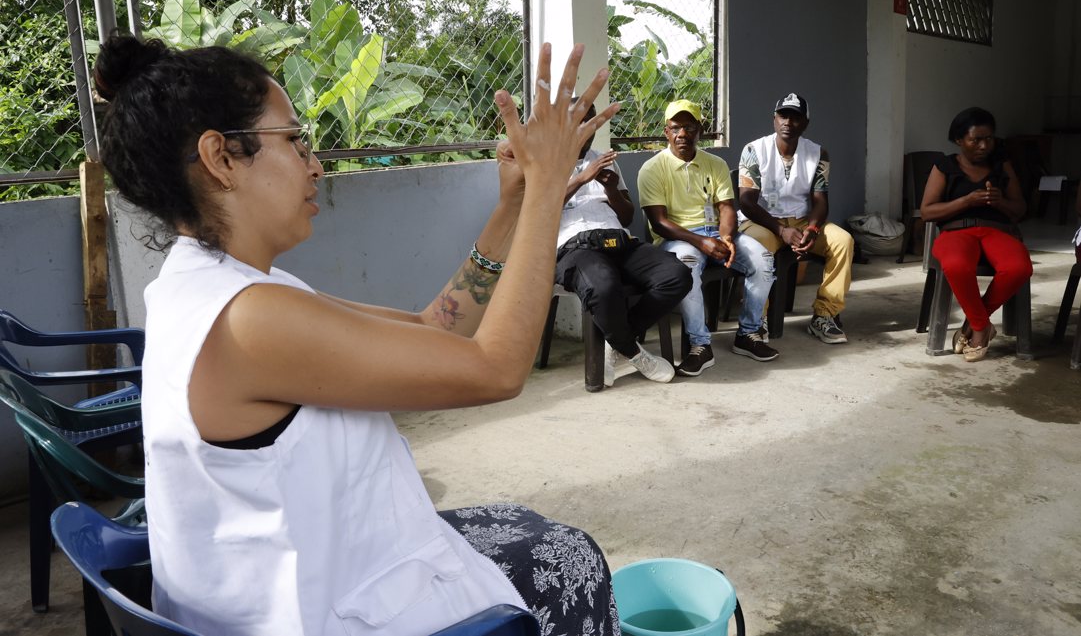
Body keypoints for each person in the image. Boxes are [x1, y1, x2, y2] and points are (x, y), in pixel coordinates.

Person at [93, 35, 624, 636]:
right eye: (294, 141)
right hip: (307, 614)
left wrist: (512, 207)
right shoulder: (250, 320)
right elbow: (496, 368)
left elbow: (432, 327)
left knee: (520, 526)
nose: (314, 164)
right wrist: (552, 187)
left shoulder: (213, 286)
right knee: (572, 559)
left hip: (304, 576)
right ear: (220, 157)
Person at [638, 99, 779, 376]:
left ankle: (748, 334)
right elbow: (660, 223)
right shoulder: (652, 169)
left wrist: (726, 238)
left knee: (763, 258)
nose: (682, 134)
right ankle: (700, 346)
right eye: (675, 127)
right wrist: (701, 241)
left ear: (699, 130)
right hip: (678, 238)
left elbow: (726, 207)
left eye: (689, 127)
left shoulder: (714, 164)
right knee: (687, 265)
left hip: (717, 232)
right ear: (666, 132)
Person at [556, 102, 692, 386]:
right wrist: (582, 178)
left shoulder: (604, 159)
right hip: (575, 249)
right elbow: (537, 213)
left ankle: (616, 340)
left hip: (618, 241)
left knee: (677, 275)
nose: (588, 130)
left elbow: (627, 216)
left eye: (592, 123)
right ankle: (635, 352)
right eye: (580, 123)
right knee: (603, 288)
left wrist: (610, 189)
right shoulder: (544, 164)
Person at [737, 93, 855, 344]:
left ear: (806, 123)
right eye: (783, 116)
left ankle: (825, 315)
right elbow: (747, 202)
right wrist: (781, 230)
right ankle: (758, 318)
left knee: (843, 241)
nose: (788, 122)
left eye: (795, 117)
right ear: (774, 120)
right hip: (763, 221)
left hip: (802, 221)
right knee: (757, 249)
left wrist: (812, 229)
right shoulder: (753, 150)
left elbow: (820, 200)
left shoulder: (818, 153)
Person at [920, 106, 1031, 362]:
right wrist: (967, 201)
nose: (983, 145)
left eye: (989, 138)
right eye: (976, 140)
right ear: (960, 140)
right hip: (956, 231)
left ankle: (973, 322)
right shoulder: (944, 166)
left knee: (1019, 268)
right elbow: (927, 212)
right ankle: (981, 330)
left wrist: (1000, 202)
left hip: (998, 231)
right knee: (957, 266)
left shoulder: (1002, 167)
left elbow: (1020, 209)